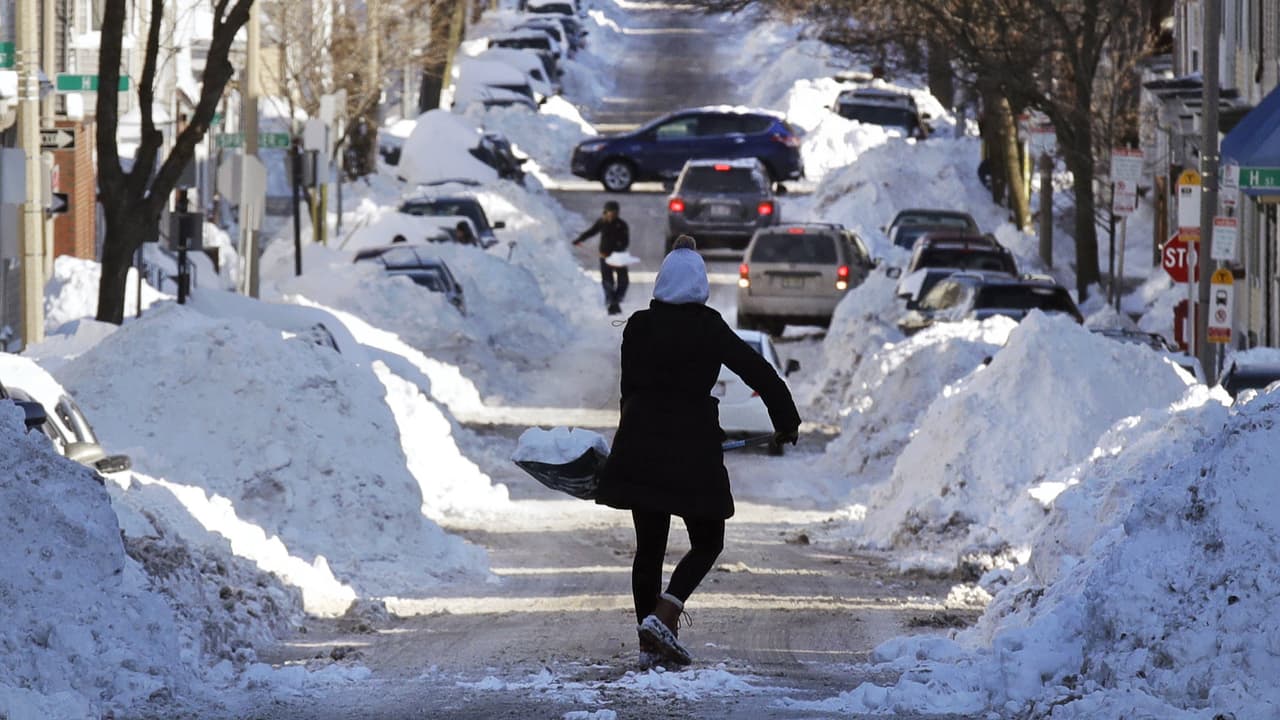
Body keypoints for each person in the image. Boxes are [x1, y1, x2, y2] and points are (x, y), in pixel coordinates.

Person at [595, 236, 801, 668]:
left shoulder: (637, 325)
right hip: (692, 447)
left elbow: (628, 389)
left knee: (648, 546)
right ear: (700, 285)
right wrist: (785, 420)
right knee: (708, 539)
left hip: (641, 443)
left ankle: (648, 642)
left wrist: (629, 435)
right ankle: (666, 611)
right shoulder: (708, 326)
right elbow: (757, 369)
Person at [572, 200, 630, 315]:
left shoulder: (622, 225)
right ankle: (611, 303)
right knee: (607, 282)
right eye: (610, 212)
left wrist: (618, 248)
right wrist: (579, 239)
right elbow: (591, 232)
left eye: (614, 212)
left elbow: (626, 241)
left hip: (619, 257)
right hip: (605, 256)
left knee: (623, 281)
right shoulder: (602, 222)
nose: (612, 214)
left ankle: (617, 299)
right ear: (605, 212)